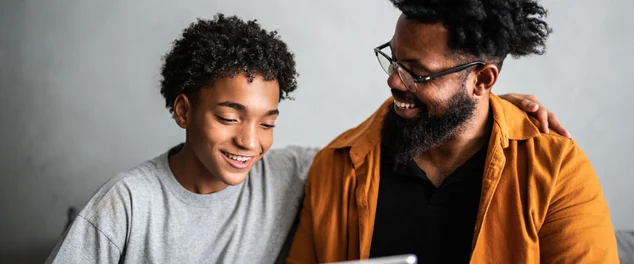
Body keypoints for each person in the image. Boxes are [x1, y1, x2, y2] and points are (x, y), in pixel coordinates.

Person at [46, 13, 570, 264]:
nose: (249, 141)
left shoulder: (292, 173)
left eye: (268, 121)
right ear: (183, 110)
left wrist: (490, 108)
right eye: (229, 117)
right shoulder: (125, 207)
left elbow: (375, 148)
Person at [286, 0, 618, 263]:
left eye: (417, 73)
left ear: (482, 80)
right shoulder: (335, 166)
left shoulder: (558, 171)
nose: (393, 81)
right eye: (394, 60)